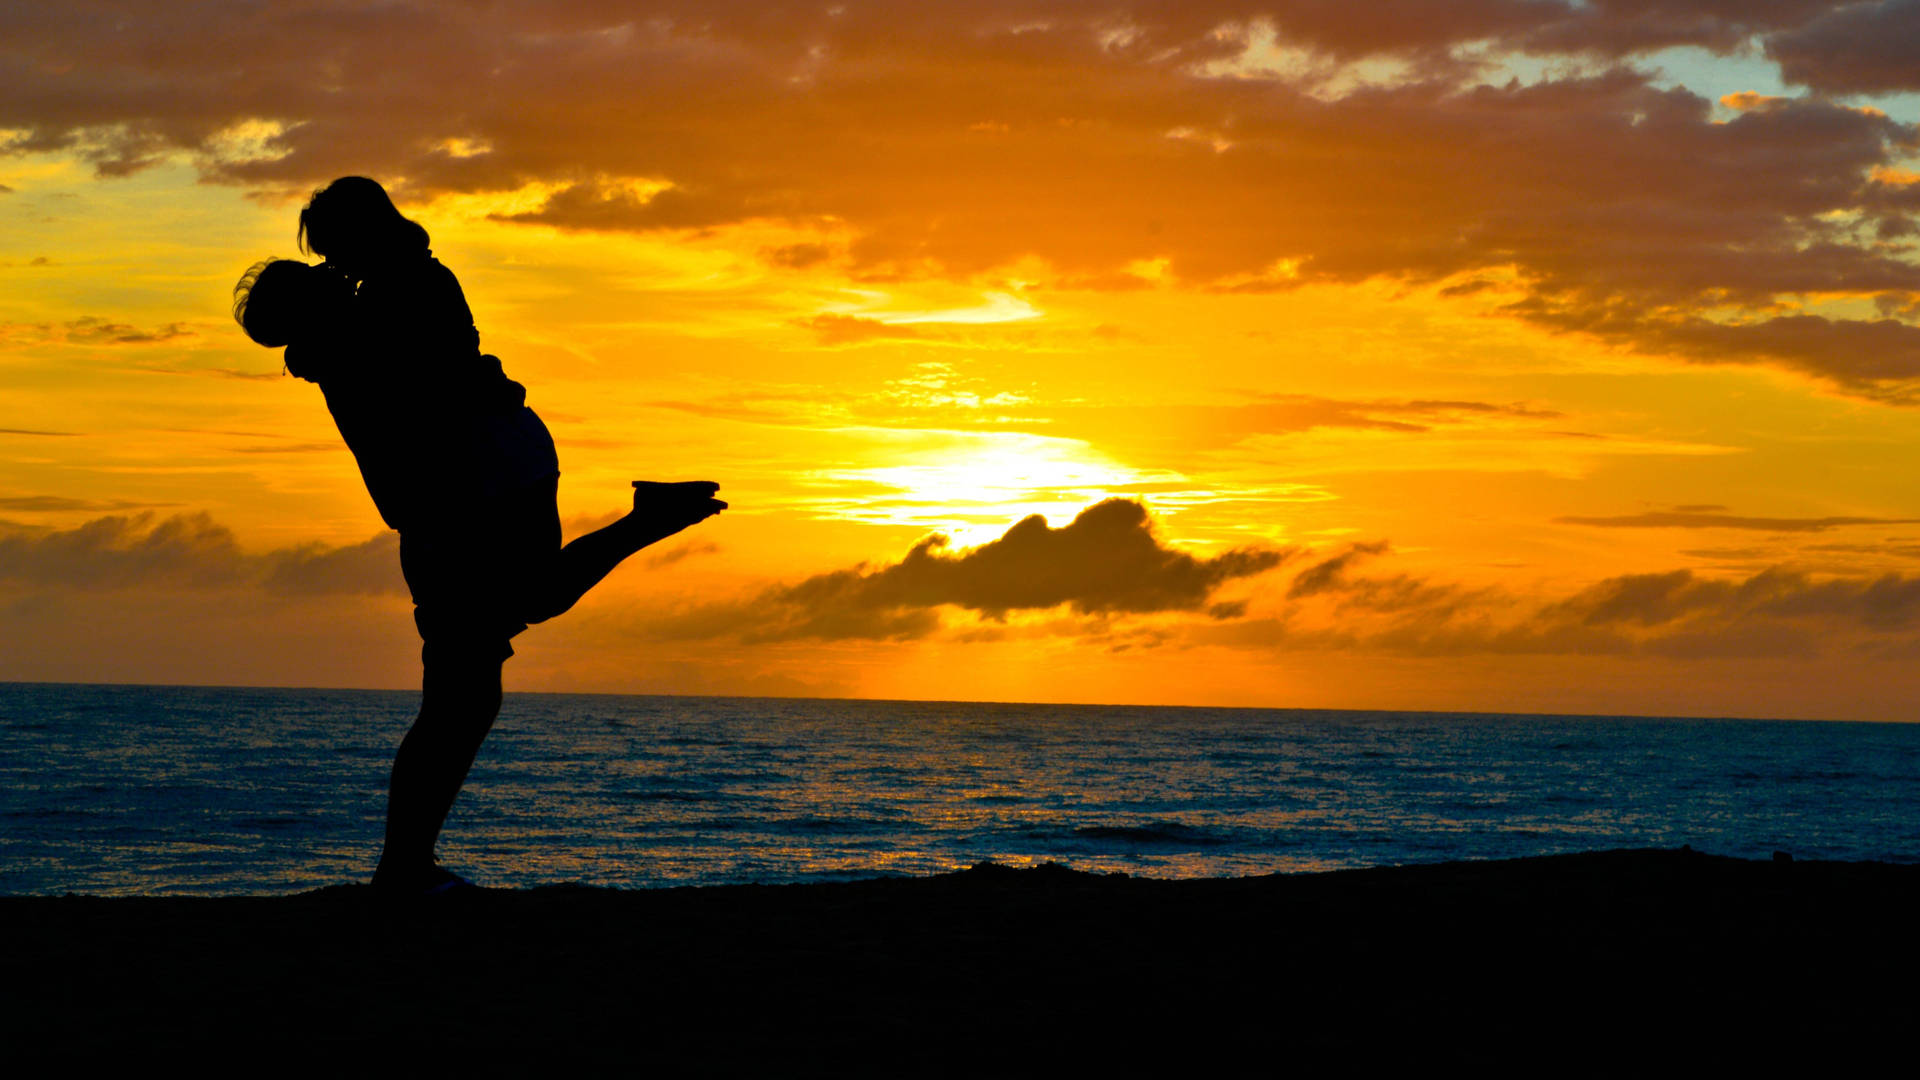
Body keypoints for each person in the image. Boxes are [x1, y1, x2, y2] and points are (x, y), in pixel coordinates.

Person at [234, 179, 725, 895]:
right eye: (322, 259)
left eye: (333, 250)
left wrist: (333, 303)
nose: (330, 264)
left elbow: (408, 373)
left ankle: (403, 868)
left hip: (472, 487)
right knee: (491, 655)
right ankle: (647, 519)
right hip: (477, 483)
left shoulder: (384, 303)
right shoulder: (371, 308)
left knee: (469, 679)